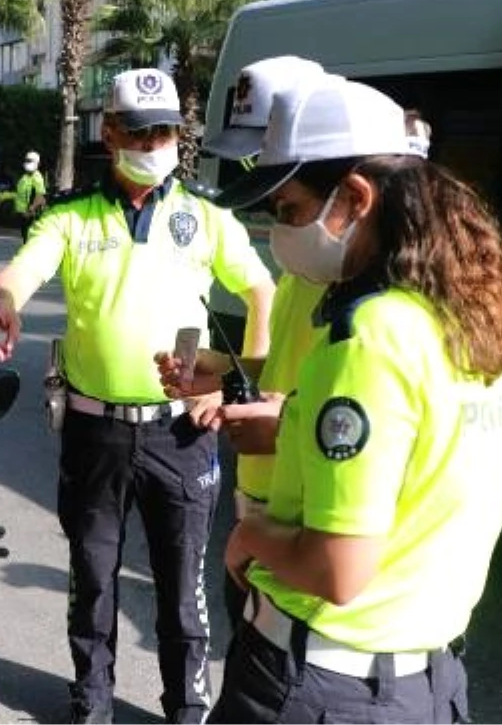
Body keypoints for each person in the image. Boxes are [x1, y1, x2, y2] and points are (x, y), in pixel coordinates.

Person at [187, 76, 502, 723]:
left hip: (320, 688)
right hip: (427, 682)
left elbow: (337, 569)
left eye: (288, 210)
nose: (278, 233)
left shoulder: (368, 336)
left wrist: (253, 536)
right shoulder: (476, 321)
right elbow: (425, 452)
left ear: (355, 197)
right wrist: (291, 420)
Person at [0, 68, 275, 725]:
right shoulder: (70, 215)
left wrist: (239, 381)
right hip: (95, 432)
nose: (153, 142)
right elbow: (25, 268)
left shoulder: (205, 214)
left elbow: (261, 291)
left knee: (181, 593)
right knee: (93, 583)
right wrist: (3, 300)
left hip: (181, 435)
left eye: (164, 129)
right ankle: (93, 707)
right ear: (109, 132)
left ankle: (186, 713)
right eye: (138, 130)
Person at [161, 57, 333, 632]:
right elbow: (288, 367)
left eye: (267, 150)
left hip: (308, 523)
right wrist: (223, 372)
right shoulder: (306, 261)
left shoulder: (357, 289)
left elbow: (359, 410)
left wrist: (277, 421)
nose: (258, 170)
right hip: (266, 504)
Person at [14, 149, 47, 241]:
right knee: (25, 238)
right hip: (23, 214)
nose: (27, 162)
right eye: (26, 160)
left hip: (30, 215)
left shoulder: (37, 177)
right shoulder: (25, 176)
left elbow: (40, 196)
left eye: (30, 161)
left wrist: (31, 210)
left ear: (37, 163)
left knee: (29, 240)